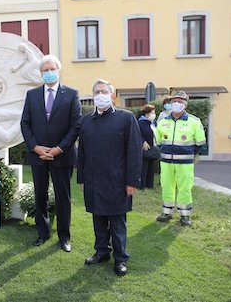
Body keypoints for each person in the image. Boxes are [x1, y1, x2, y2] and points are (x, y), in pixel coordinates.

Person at [77, 79, 142, 276]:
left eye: (104, 91)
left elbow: (134, 151)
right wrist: (81, 178)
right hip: (94, 180)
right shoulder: (86, 121)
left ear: (113, 96)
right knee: (98, 218)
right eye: (97, 91)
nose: (100, 94)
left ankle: (120, 258)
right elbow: (82, 152)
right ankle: (102, 251)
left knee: (117, 221)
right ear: (93, 96)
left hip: (117, 181)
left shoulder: (126, 118)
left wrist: (132, 182)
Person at [20, 54, 81, 253]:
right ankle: (43, 232)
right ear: (41, 73)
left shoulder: (71, 94)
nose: (48, 73)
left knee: (63, 197)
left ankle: (64, 236)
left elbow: (75, 126)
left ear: (58, 70)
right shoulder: (32, 95)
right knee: (40, 196)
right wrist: (36, 148)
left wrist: (58, 149)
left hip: (61, 156)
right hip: (38, 155)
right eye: (45, 70)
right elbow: (25, 123)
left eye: (51, 69)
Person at [156, 90, 206, 227]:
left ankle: (185, 215)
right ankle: (167, 212)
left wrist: (189, 154)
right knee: (166, 186)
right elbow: (158, 141)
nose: (177, 104)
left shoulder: (194, 122)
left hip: (185, 163)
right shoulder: (162, 121)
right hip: (166, 162)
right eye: (174, 101)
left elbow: (200, 143)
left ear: (185, 104)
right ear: (170, 103)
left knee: (184, 188)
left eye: (180, 101)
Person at [138, 104, 157, 189]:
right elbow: (137, 134)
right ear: (147, 114)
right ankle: (142, 185)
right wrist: (143, 141)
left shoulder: (152, 123)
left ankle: (150, 184)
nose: (154, 115)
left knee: (151, 166)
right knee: (144, 167)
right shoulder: (141, 123)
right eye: (152, 113)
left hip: (152, 147)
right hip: (144, 148)